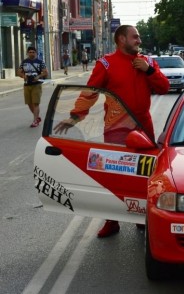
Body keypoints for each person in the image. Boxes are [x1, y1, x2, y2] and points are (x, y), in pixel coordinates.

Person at [55, 25, 170, 238]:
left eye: (139, 37)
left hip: (144, 127)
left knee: (145, 174)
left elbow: (164, 87)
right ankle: (112, 220)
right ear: (121, 39)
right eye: (135, 37)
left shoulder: (148, 62)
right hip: (116, 128)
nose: (139, 41)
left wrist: (149, 70)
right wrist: (75, 116)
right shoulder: (106, 63)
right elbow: (90, 92)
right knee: (113, 176)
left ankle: (141, 216)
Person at [17, 46, 48, 127]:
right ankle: (37, 118)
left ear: (36, 53)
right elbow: (19, 72)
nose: (31, 54)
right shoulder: (24, 62)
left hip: (36, 85)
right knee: (29, 103)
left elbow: (45, 72)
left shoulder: (40, 62)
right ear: (27, 53)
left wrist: (38, 76)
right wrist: (23, 76)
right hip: (27, 85)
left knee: (36, 103)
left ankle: (35, 121)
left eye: (33, 52)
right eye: (30, 52)